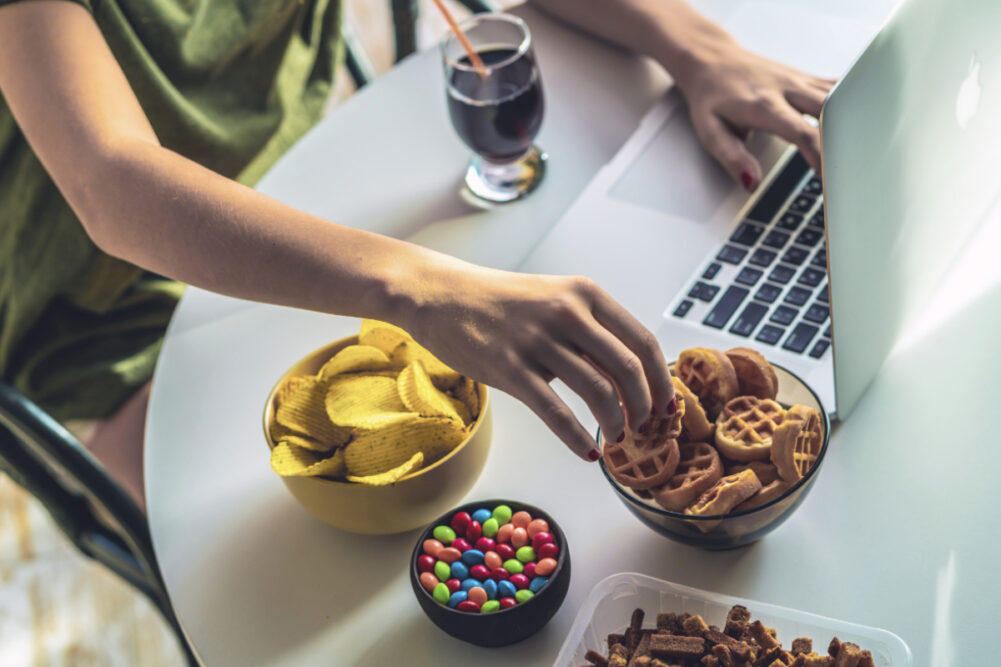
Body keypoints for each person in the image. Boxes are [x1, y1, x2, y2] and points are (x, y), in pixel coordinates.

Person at [0, 0, 830, 510]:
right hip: (99, 320)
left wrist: (693, 46)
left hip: (311, 193)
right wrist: (414, 286)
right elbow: (111, 185)